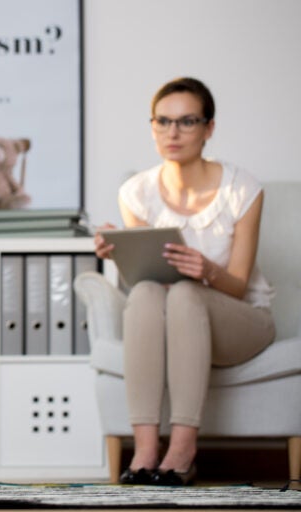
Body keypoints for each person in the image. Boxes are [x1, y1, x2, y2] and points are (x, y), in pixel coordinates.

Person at [93, 77, 275, 486]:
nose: (172, 132)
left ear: (209, 128)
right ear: (152, 126)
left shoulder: (243, 188)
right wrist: (119, 252)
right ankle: (143, 450)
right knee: (143, 292)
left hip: (242, 321)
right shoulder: (136, 191)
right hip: (174, 317)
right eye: (163, 121)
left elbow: (240, 286)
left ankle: (183, 449)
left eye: (187, 121)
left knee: (188, 293)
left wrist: (206, 269)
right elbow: (148, 284)